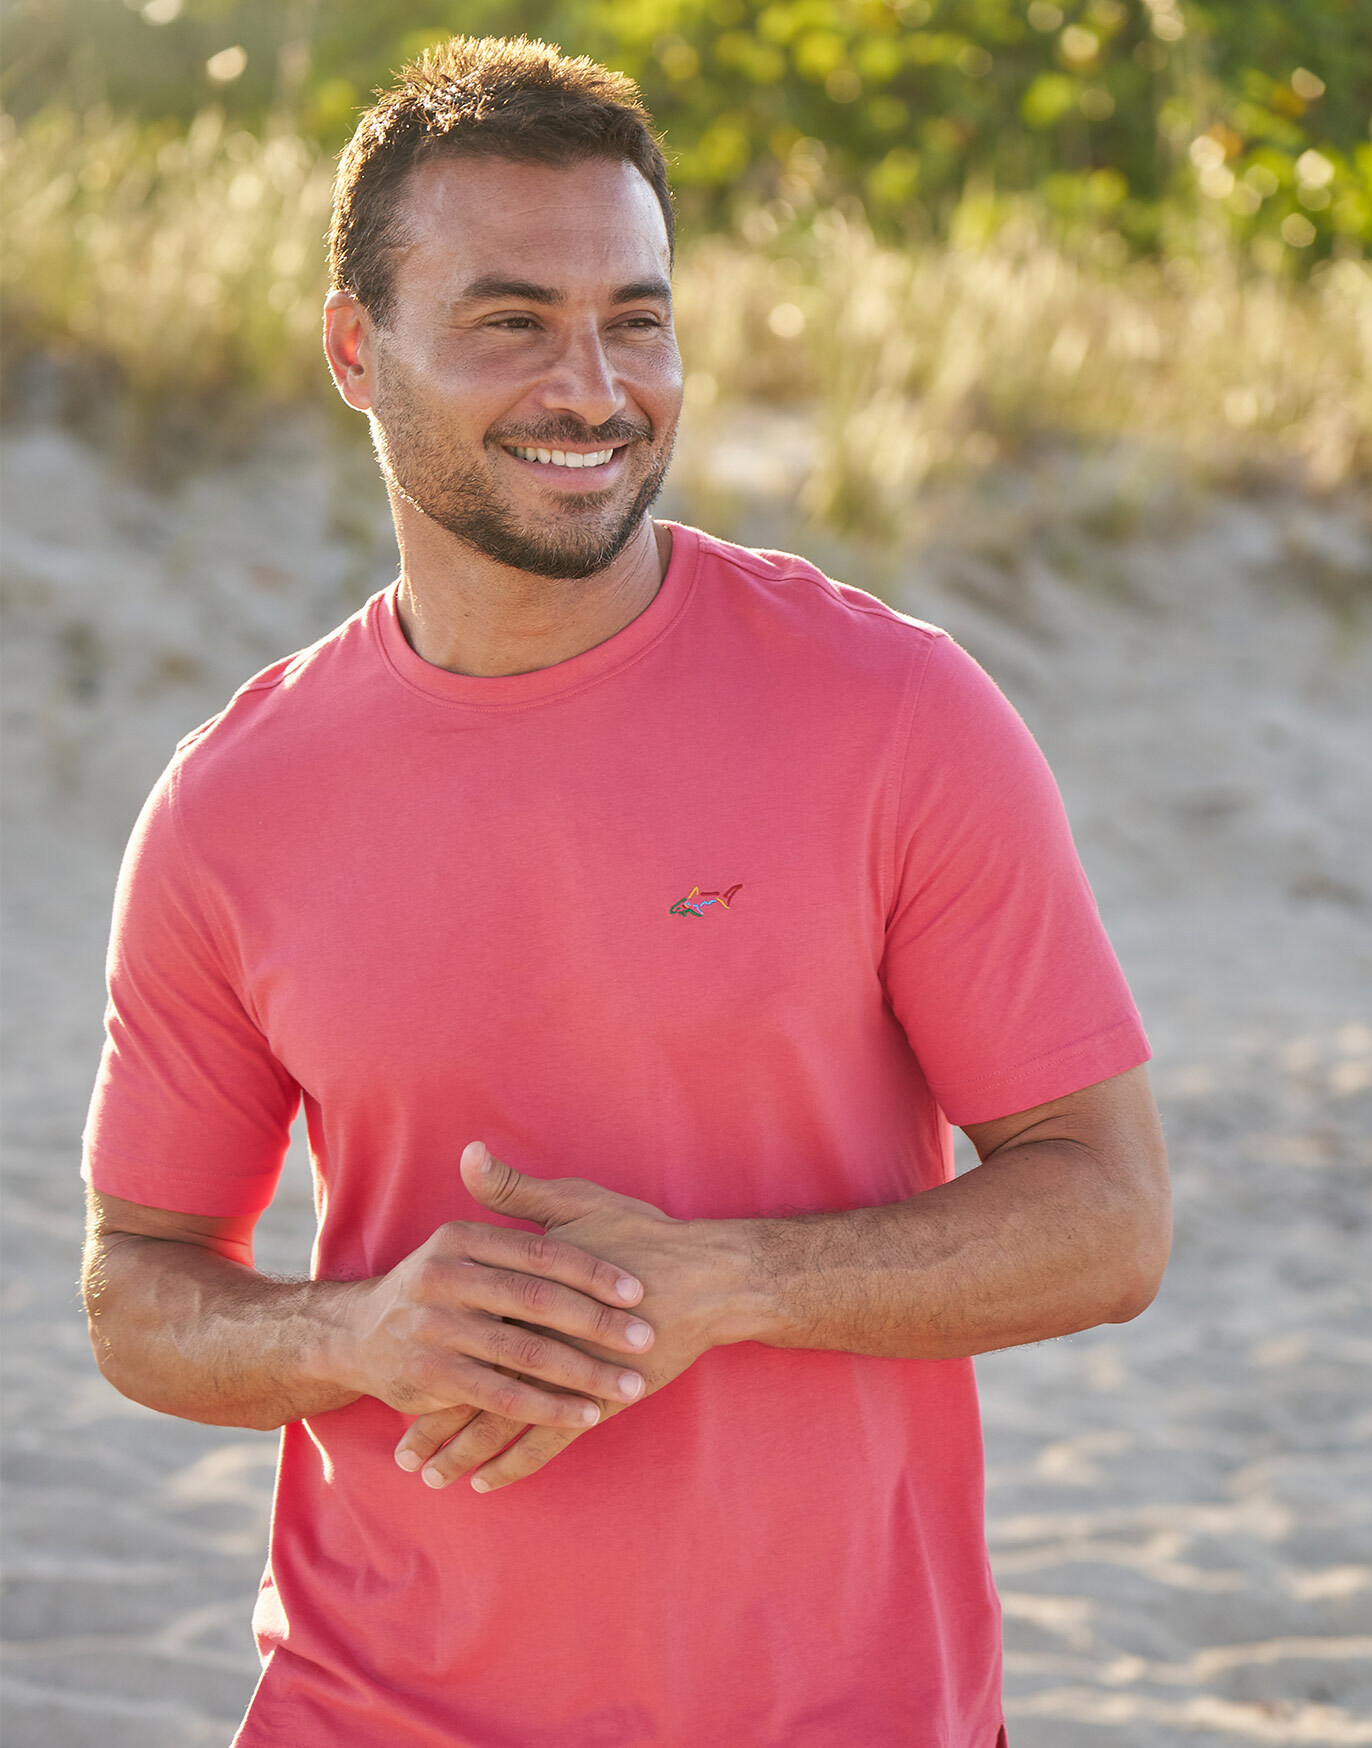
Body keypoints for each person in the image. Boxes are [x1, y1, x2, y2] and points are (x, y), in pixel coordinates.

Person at [81, 35, 1170, 1748]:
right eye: (511, 319)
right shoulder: (234, 806)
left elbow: (1109, 1220)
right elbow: (140, 1285)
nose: (593, 385)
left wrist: (725, 1287)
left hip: (838, 1710)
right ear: (356, 352)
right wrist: (353, 1332)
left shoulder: (894, 714)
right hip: (373, 1709)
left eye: (636, 317)